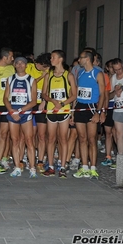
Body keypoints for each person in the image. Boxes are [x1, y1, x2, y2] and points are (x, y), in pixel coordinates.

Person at [41, 50, 77, 178]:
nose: (51, 59)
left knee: (63, 139)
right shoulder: (48, 75)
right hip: (51, 110)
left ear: (60, 59)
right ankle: (50, 166)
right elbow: (43, 94)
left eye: (53, 57)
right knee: (50, 139)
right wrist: (52, 100)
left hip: (64, 110)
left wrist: (62, 104)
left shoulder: (69, 75)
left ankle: (63, 166)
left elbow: (74, 95)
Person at [72, 50, 106, 179]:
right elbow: (77, 94)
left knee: (92, 139)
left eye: (80, 58)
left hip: (92, 107)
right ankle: (84, 166)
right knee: (81, 138)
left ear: (87, 59)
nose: (79, 60)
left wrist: (99, 112)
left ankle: (93, 167)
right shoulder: (80, 73)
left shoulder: (98, 73)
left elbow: (103, 94)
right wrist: (73, 113)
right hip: (80, 106)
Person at [3, 56, 37, 178]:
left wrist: (20, 111)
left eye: (23, 63)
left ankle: (32, 168)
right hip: (13, 114)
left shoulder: (32, 80)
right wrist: (12, 110)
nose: (20, 65)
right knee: (15, 140)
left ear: (26, 65)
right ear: (14, 65)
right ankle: (17, 167)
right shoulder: (10, 79)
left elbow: (34, 101)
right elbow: (5, 98)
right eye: (18, 63)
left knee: (29, 140)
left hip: (25, 114)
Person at [26, 53, 51, 172]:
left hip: (41, 104)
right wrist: (42, 76)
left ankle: (40, 160)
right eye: (44, 66)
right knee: (30, 134)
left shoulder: (48, 71)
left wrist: (44, 102)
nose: (45, 69)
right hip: (30, 103)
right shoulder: (29, 67)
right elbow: (29, 83)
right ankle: (28, 158)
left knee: (42, 135)